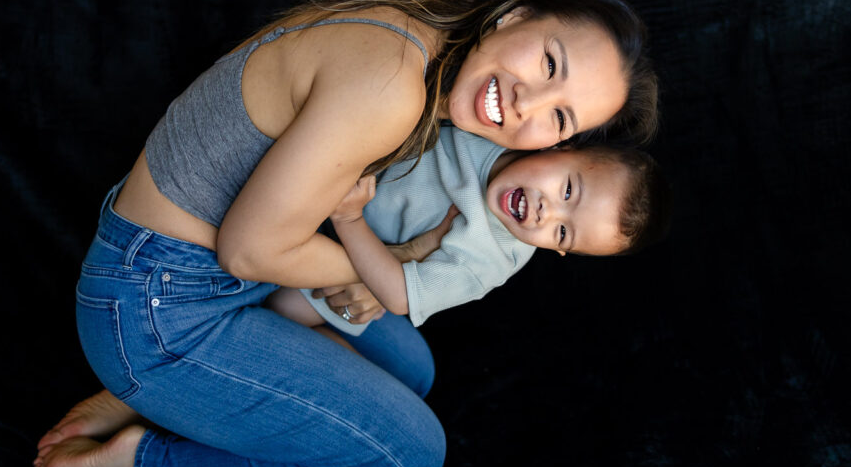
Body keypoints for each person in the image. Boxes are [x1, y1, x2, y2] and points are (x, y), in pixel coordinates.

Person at [32, 0, 659, 467]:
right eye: (550, 63)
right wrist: (374, 271)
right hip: (157, 303)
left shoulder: (429, 33)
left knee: (412, 374)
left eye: (560, 117)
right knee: (408, 465)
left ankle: (158, 394)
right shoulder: (392, 87)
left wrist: (389, 268)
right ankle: (144, 463)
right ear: (514, 17)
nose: (528, 105)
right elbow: (250, 250)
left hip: (190, 274)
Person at [269, 126, 671, 335]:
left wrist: (349, 219)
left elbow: (397, 295)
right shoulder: (494, 133)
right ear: (562, 148)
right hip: (338, 171)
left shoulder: (490, 260)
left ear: (560, 252)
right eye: (568, 189)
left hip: (351, 237)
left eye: (563, 233)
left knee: (289, 307)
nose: (547, 214)